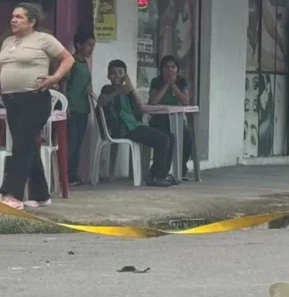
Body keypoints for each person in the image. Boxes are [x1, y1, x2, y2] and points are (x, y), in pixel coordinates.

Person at [0, 3, 75, 209]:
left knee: (21, 146)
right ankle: (41, 194)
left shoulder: (44, 39)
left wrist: (54, 78)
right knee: (27, 145)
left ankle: (12, 194)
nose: (13, 20)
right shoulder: (8, 41)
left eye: (19, 17)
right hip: (11, 100)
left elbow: (68, 59)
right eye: (13, 16)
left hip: (35, 99)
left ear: (32, 22)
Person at [97, 60, 176, 188]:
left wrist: (131, 88)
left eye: (120, 73)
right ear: (108, 76)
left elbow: (141, 107)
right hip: (124, 128)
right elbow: (101, 101)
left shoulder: (127, 93)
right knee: (162, 140)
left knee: (170, 137)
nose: (116, 76)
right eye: (113, 73)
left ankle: (162, 174)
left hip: (135, 125)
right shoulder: (108, 89)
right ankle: (154, 177)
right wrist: (118, 90)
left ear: (125, 75)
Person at [148, 55, 193, 178]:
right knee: (166, 138)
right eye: (166, 67)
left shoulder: (182, 82)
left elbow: (185, 101)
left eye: (173, 67)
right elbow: (153, 101)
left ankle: (181, 167)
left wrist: (173, 86)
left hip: (176, 119)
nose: (170, 70)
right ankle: (159, 170)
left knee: (187, 139)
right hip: (159, 119)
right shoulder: (156, 81)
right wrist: (166, 85)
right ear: (161, 70)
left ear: (177, 70)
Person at [64, 28, 95, 186]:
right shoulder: (72, 63)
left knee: (78, 144)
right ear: (78, 44)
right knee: (71, 144)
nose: (91, 49)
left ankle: (74, 174)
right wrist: (64, 106)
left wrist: (89, 85)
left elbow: (85, 82)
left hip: (83, 109)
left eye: (93, 46)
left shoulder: (85, 64)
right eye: (89, 45)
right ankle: (67, 175)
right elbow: (65, 84)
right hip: (72, 109)